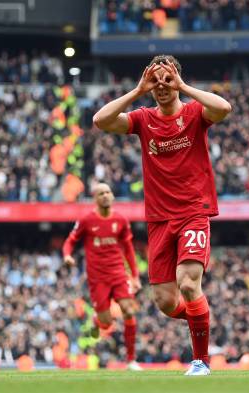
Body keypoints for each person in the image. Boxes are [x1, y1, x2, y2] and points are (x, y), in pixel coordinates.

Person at [92, 54, 232, 375]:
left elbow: (224, 108)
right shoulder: (143, 119)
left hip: (193, 212)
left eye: (167, 80)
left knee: (187, 283)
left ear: (177, 80)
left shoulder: (196, 113)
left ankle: (201, 361)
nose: (162, 87)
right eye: (156, 82)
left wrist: (183, 86)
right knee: (165, 302)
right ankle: (202, 316)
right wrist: (138, 91)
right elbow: (101, 121)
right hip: (158, 219)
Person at [62, 182, 142, 371]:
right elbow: (70, 241)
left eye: (108, 192)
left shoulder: (121, 220)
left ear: (112, 196)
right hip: (97, 278)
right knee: (106, 322)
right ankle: (97, 322)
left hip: (118, 273)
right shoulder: (87, 220)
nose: (105, 195)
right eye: (101, 193)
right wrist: (67, 255)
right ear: (95, 199)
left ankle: (131, 360)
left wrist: (135, 276)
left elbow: (129, 249)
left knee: (129, 310)